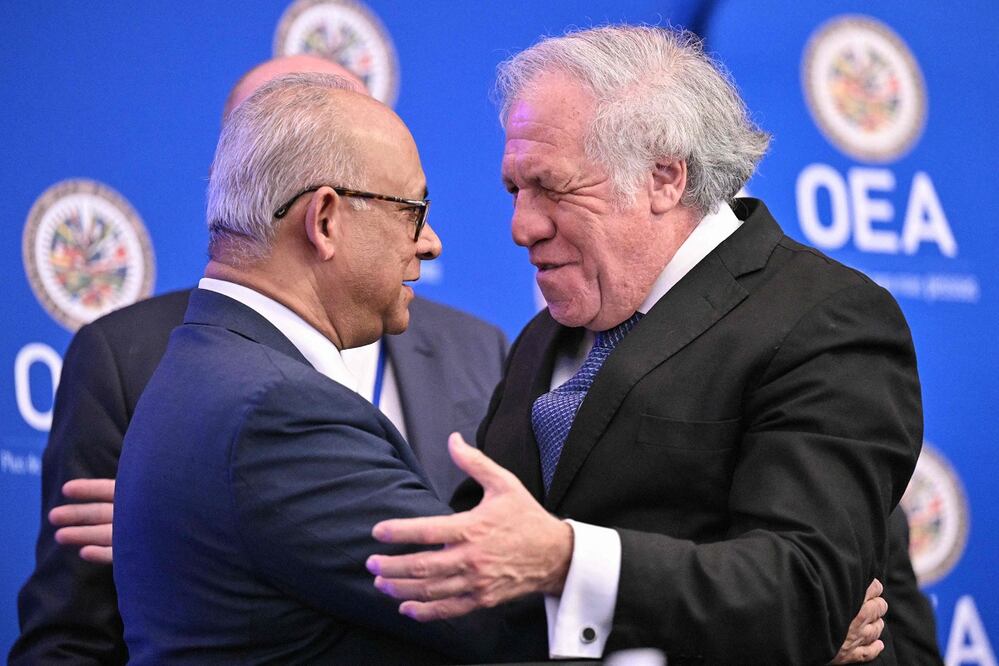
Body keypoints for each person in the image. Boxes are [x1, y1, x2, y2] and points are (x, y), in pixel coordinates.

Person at [365, 26, 923, 664]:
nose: (521, 226)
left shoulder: (824, 319)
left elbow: (804, 590)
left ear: (664, 177)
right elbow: (477, 570)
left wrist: (568, 560)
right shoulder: (542, 337)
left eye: (552, 188)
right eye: (514, 190)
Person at [9, 57, 506, 665]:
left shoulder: (203, 355)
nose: (430, 241)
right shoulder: (277, 406)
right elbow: (481, 613)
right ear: (324, 219)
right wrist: (585, 561)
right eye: (412, 211)